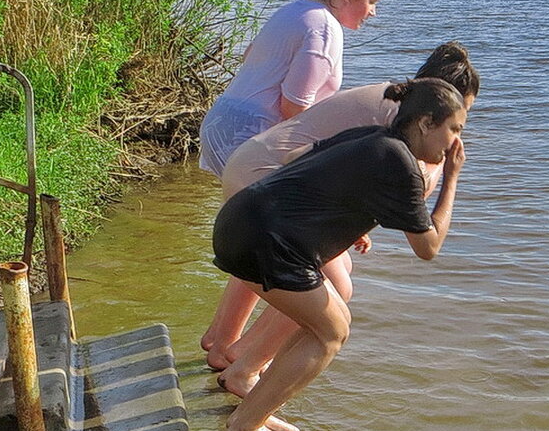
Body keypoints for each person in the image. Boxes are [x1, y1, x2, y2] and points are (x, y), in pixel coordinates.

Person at [212, 78, 467, 431]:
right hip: (266, 240)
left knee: (328, 321)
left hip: (241, 220)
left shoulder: (371, 137)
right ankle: (245, 427)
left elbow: (293, 158)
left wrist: (349, 214)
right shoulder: (400, 162)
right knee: (332, 332)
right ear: (427, 123)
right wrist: (451, 180)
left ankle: (252, 409)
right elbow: (428, 247)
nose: (455, 143)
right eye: (454, 129)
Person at [199, 43, 480, 375]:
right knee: (334, 288)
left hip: (252, 165)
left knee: (290, 255)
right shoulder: (402, 125)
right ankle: (243, 360)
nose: (460, 129)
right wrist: (446, 175)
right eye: (459, 119)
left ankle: (222, 342)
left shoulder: (393, 100)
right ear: (436, 110)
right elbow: (419, 229)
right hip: (267, 180)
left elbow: (339, 166)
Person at [198, 0, 384, 177]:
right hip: (247, 134)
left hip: (220, 123)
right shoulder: (325, 29)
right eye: (372, 1)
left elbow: (248, 55)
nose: (373, 12)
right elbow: (293, 107)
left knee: (251, 211)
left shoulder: (296, 9)